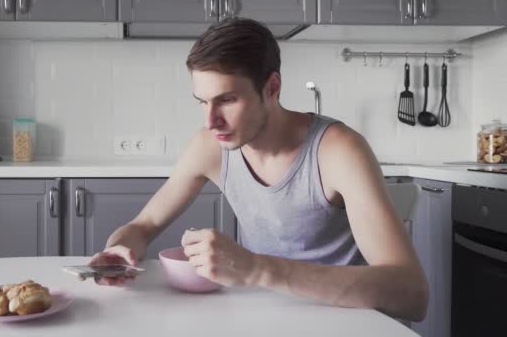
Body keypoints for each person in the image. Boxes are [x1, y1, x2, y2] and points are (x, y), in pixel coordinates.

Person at [88, 18, 428, 321]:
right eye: (202, 102)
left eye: (226, 100)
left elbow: (410, 295)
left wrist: (256, 269)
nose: (211, 121)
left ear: (272, 88)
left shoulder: (338, 151)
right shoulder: (210, 145)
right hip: (262, 316)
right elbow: (143, 225)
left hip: (343, 321)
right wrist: (119, 247)